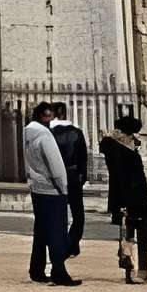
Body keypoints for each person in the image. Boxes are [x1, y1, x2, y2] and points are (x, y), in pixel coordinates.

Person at [23, 102, 79, 286]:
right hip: (52, 188)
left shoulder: (28, 134)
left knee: (41, 230)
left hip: (37, 186)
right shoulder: (45, 136)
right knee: (56, 230)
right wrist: (62, 187)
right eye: (48, 116)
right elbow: (56, 165)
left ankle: (37, 269)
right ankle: (59, 272)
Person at [102, 111, 147, 284]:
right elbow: (130, 175)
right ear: (129, 134)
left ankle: (129, 268)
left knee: (127, 234)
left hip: (120, 196)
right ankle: (141, 270)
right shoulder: (124, 151)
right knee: (141, 231)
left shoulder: (113, 147)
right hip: (134, 195)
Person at [53, 109, 92, 265]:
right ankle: (72, 243)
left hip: (55, 178)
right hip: (73, 176)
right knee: (78, 215)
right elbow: (83, 157)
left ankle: (62, 244)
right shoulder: (76, 133)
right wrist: (83, 176)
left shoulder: (50, 133)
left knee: (59, 215)